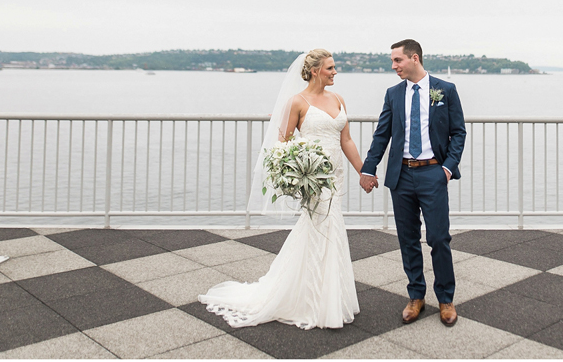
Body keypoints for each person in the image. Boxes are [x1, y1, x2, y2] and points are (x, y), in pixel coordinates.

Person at [199, 49, 363, 329]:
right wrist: (297, 173)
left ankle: (327, 295)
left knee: (329, 229)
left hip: (335, 176)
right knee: (321, 229)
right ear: (314, 71)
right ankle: (313, 301)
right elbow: (283, 144)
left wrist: (364, 172)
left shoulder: (339, 99)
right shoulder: (297, 102)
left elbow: (346, 139)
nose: (335, 72)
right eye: (330, 68)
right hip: (313, 177)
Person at [360, 39, 467, 327]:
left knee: (438, 238)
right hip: (402, 176)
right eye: (393, 61)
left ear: (414, 58)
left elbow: (459, 133)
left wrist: (447, 168)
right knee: (407, 238)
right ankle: (416, 295)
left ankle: (446, 299)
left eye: (397, 60)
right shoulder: (393, 94)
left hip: (433, 173)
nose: (393, 66)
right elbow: (382, 134)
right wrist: (368, 169)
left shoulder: (445, 90)